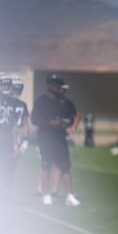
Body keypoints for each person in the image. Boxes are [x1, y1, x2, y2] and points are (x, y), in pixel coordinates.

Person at [31, 73, 81, 206]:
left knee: (65, 166)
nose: (57, 87)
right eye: (54, 84)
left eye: (58, 84)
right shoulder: (41, 101)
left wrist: (71, 126)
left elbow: (75, 114)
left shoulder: (64, 101)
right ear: (48, 85)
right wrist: (49, 123)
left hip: (60, 137)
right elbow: (34, 119)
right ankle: (46, 194)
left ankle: (69, 195)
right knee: (46, 165)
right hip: (46, 138)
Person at [0, 72, 29, 194]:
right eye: (4, 85)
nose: (7, 88)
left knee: (3, 165)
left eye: (8, 85)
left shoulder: (10, 100)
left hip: (6, 138)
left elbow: (12, 124)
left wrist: (15, 144)